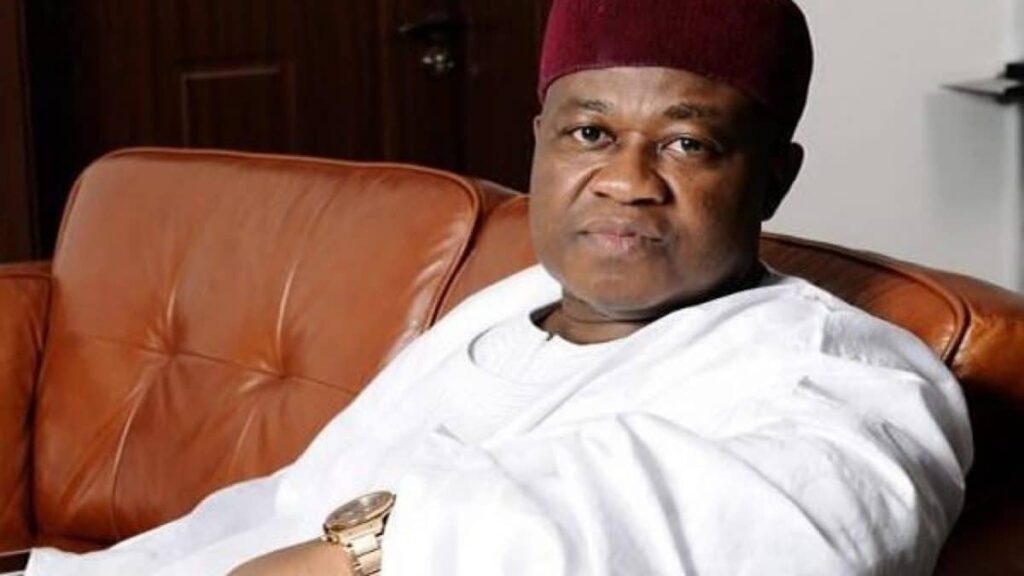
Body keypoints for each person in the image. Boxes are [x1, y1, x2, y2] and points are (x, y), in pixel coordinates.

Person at [26, 0, 972, 574]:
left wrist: (362, 558)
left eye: (688, 144)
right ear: (540, 146)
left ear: (774, 180)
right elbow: (292, 502)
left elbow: (806, 527)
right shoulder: (506, 308)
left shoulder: (841, 373)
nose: (626, 179)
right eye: (590, 133)